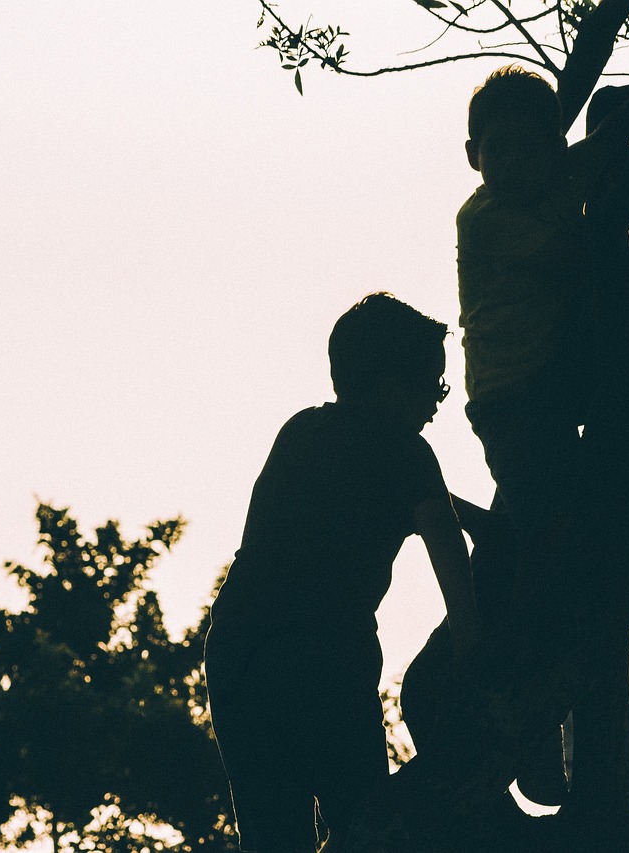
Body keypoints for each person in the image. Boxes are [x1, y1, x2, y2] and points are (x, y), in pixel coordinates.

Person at [454, 64, 629, 850]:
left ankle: (540, 692)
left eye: (531, 148)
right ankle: (530, 706)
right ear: (474, 156)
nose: (514, 163)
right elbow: (574, 253)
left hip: (556, 380)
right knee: (552, 540)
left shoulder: (544, 182)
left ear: (551, 148)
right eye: (498, 150)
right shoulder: (486, 218)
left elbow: (593, 160)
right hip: (515, 401)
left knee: (542, 530)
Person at [204, 292, 481, 853]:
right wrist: (478, 667)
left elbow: (400, 496)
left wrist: (477, 519)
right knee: (365, 829)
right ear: (390, 384)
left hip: (241, 651)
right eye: (433, 386)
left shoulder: (302, 432)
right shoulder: (409, 454)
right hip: (324, 662)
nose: (437, 403)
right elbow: (456, 576)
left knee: (273, 837)